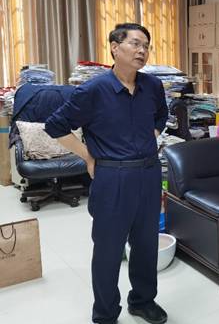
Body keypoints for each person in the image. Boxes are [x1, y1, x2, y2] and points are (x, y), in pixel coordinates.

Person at [45, 23, 169, 324]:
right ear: (115, 47)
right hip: (112, 178)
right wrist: (87, 155)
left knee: (146, 245)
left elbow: (161, 116)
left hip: (149, 174)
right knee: (108, 250)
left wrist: (147, 138)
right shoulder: (93, 90)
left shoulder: (153, 85)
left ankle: (143, 301)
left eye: (146, 46)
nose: (142, 50)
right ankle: (105, 313)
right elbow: (55, 126)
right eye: (135, 43)